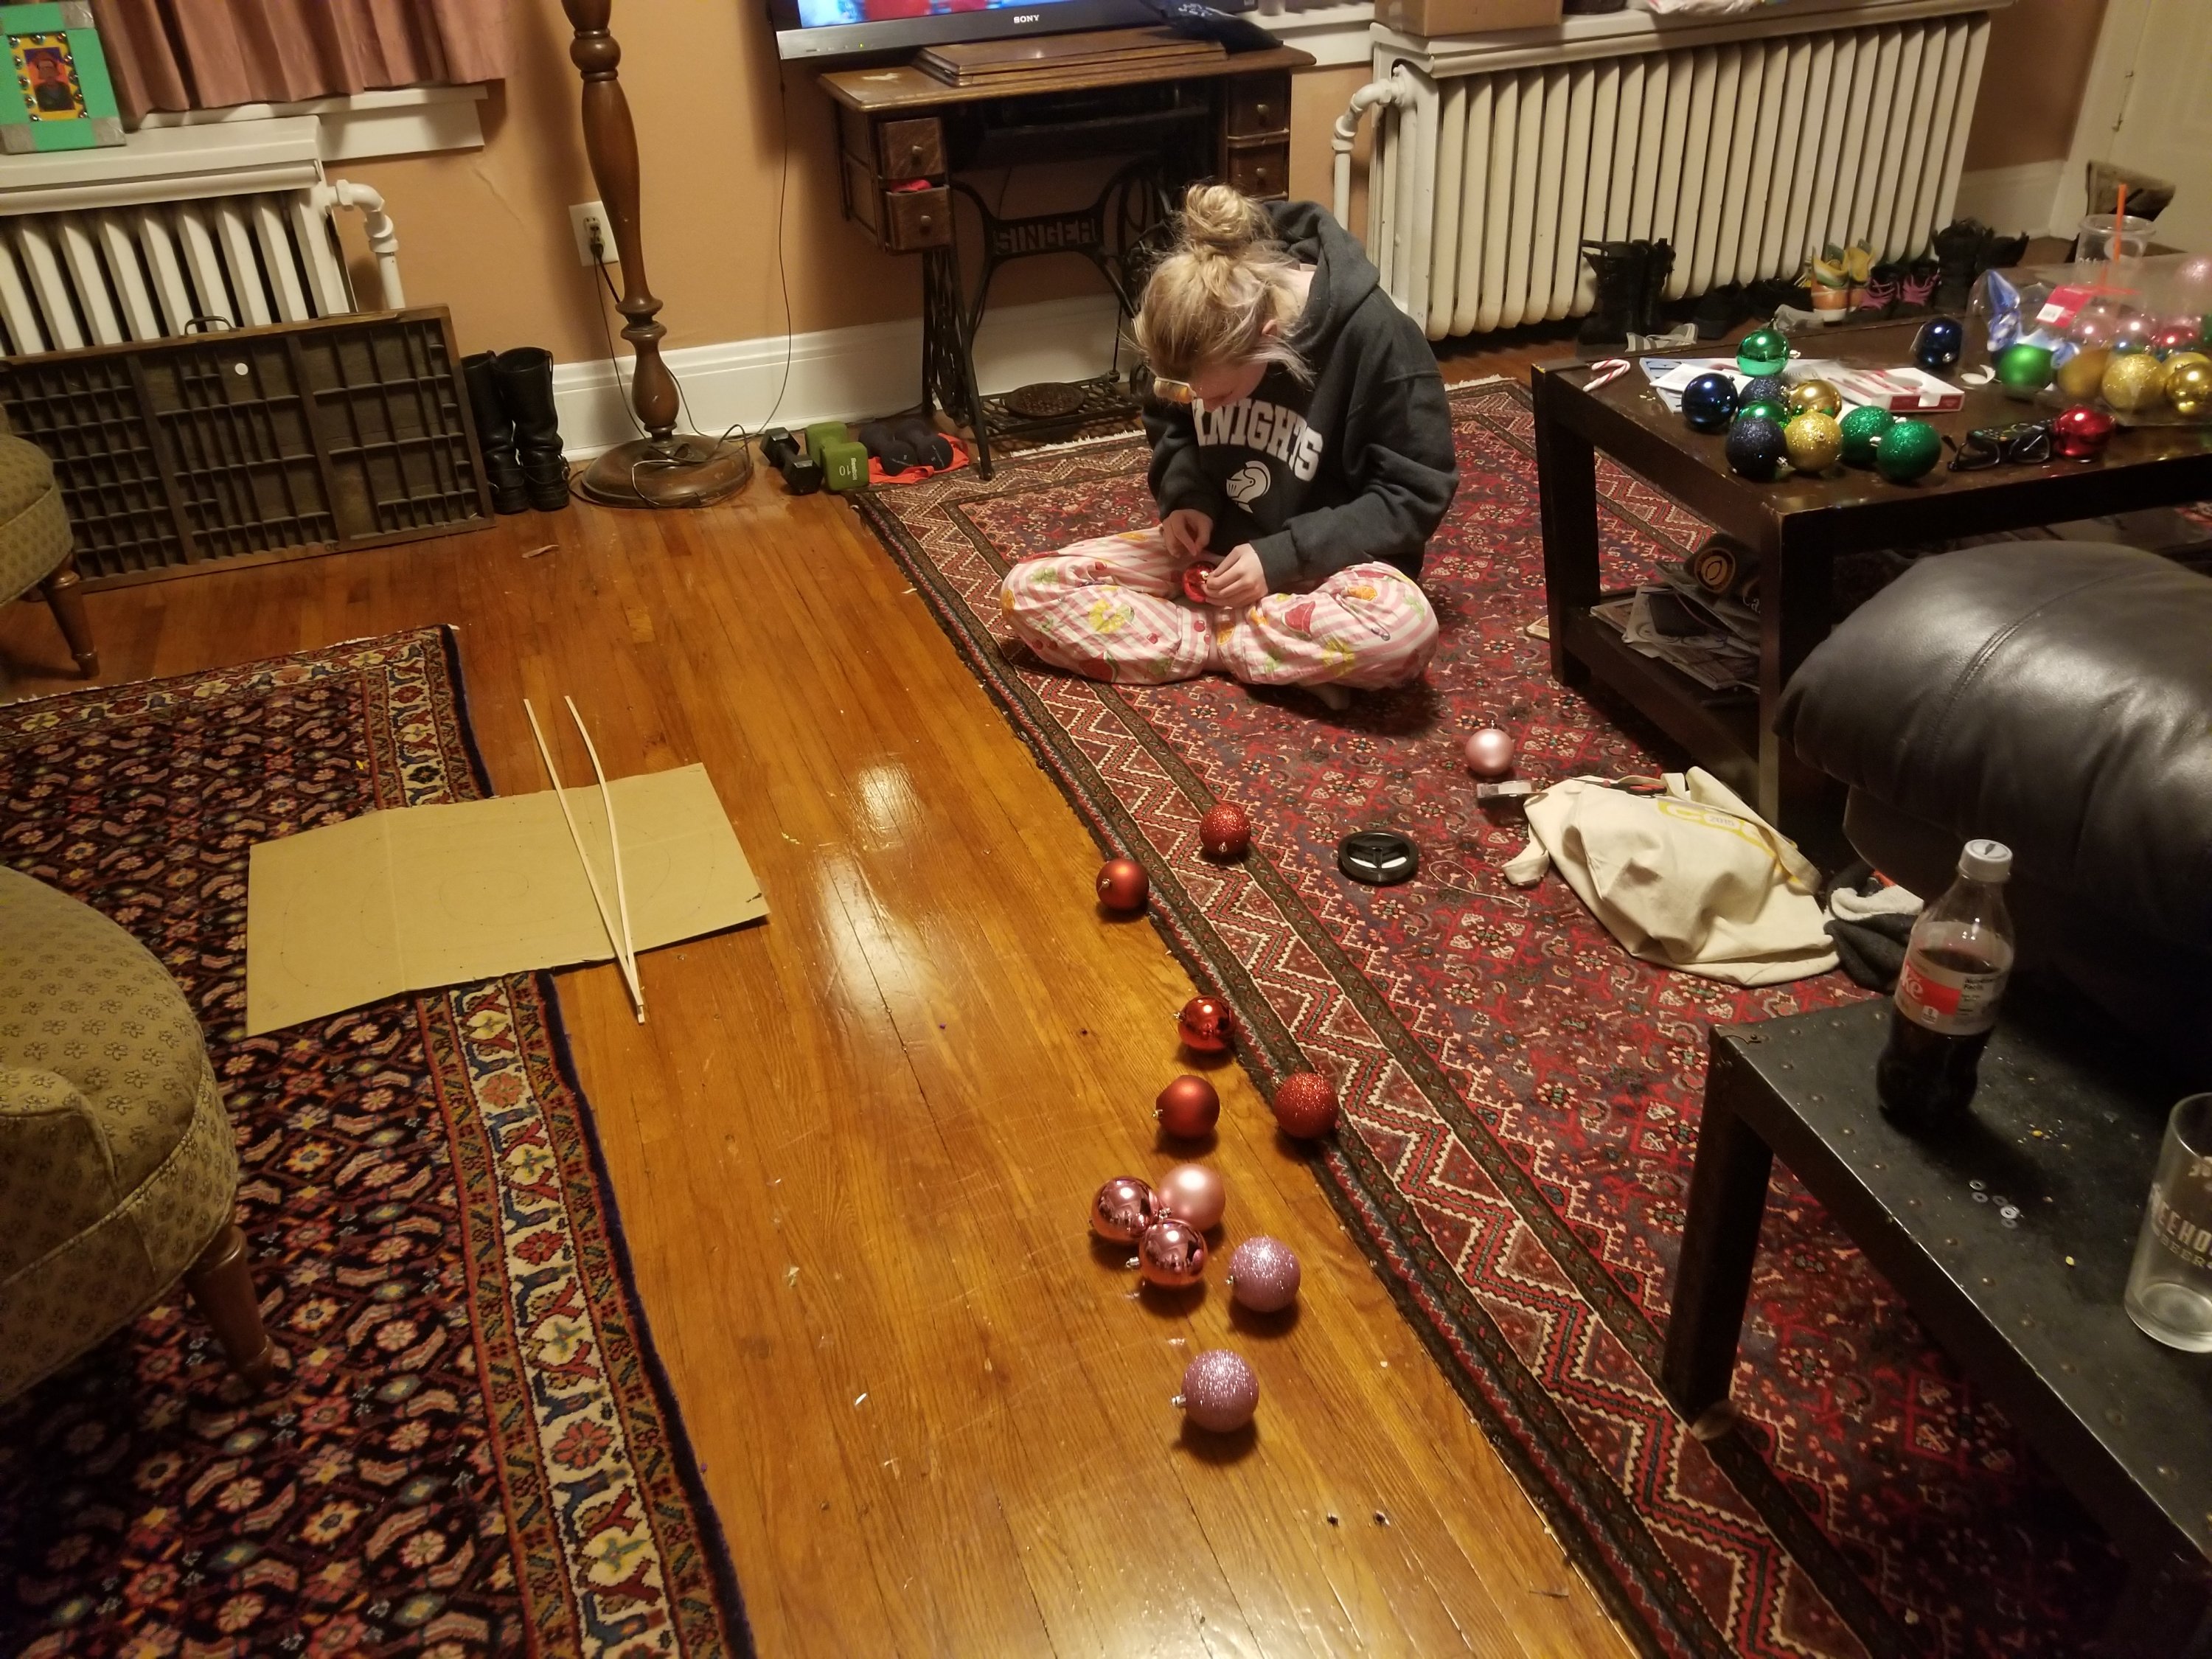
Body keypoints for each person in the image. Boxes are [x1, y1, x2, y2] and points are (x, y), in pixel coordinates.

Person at [998, 184, 1456, 708]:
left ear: (1269, 336)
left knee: (1403, 631)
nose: (1205, 408)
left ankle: (1185, 633)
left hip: (1328, 574)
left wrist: (1282, 557)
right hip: (1213, 561)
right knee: (1028, 589)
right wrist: (1187, 496)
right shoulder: (1192, 319)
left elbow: (1413, 495)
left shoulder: (1379, 336)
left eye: (1219, 396)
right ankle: (1255, 649)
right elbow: (1172, 426)